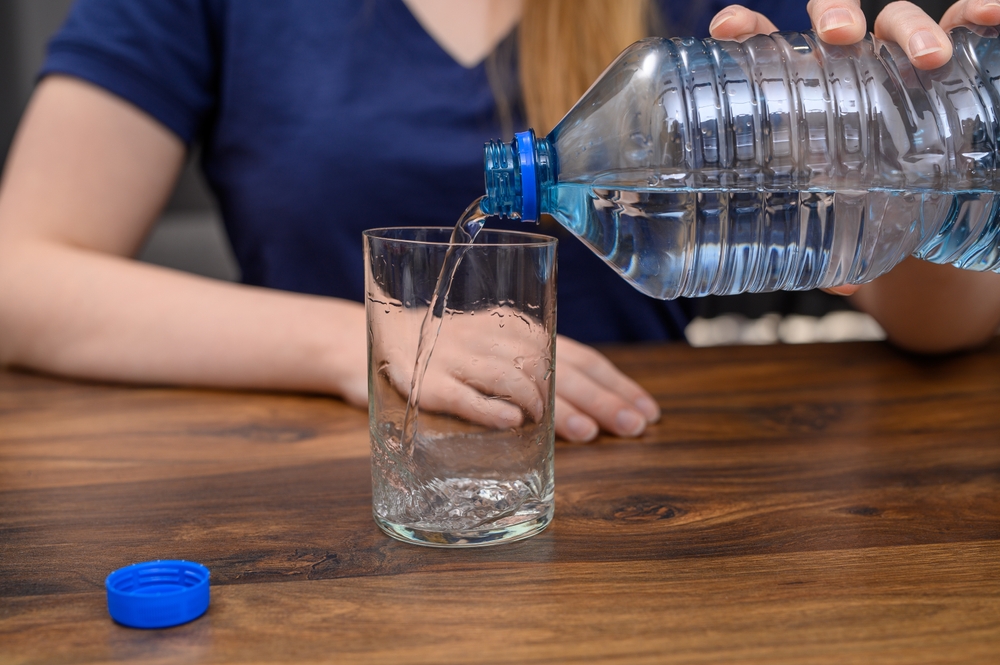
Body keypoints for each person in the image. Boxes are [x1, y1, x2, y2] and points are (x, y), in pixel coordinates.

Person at [0, 0, 998, 443]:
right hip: (330, 499)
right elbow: (19, 272)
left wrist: (939, 160)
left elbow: (932, 321)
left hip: (654, 490)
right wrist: (362, 336)